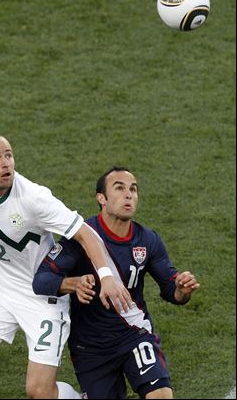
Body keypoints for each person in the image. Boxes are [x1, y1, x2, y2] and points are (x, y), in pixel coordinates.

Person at [0, 135, 132, 400]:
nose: (6, 163)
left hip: (45, 300)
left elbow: (86, 234)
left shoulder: (33, 197)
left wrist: (107, 277)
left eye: (8, 155)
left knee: (39, 392)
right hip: (2, 290)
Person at [33, 166, 200, 399]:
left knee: (161, 395)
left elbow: (172, 291)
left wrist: (182, 290)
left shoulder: (148, 240)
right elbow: (41, 280)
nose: (128, 194)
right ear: (101, 198)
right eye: (119, 188)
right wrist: (74, 284)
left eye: (133, 189)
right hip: (91, 347)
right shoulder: (80, 236)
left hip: (134, 335)